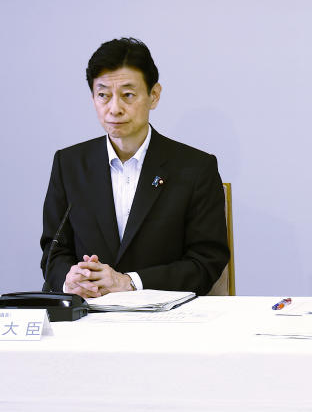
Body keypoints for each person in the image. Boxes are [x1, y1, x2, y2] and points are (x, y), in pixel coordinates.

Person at [40, 37, 230, 297]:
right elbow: (53, 250)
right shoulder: (69, 164)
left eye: (128, 95)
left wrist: (130, 282)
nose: (114, 109)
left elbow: (206, 261)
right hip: (89, 318)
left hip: (168, 321)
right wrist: (69, 280)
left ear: (154, 95)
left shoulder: (196, 168)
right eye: (103, 95)